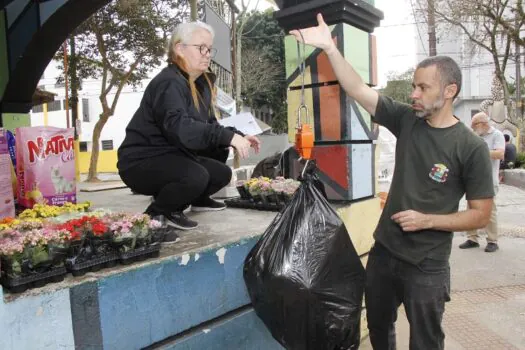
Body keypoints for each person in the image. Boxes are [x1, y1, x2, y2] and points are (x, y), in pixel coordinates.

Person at [290, 14, 494, 349]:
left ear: (450, 90)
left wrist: (429, 220)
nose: (414, 93)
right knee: (379, 329)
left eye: (423, 87)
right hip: (384, 253)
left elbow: (481, 214)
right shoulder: (407, 120)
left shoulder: (470, 147)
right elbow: (356, 88)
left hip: (426, 265)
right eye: (414, 85)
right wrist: (329, 47)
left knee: (425, 341)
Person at [117, 21, 260, 234]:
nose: (207, 54)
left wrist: (238, 135)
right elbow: (179, 128)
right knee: (195, 176)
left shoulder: (199, 84)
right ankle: (158, 212)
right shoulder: (169, 82)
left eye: (210, 49)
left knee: (221, 172)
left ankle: (198, 199)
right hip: (141, 161)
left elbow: (209, 125)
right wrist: (228, 136)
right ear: (179, 48)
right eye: (201, 48)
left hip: (174, 154)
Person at [459, 112, 504, 252]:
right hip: (473, 179)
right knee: (471, 209)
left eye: (474, 125)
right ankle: (472, 238)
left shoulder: (497, 135)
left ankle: (492, 240)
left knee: (490, 211)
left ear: (483, 123)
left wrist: (480, 151)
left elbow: (499, 153)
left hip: (489, 179)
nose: (472, 128)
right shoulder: (475, 135)